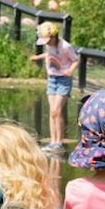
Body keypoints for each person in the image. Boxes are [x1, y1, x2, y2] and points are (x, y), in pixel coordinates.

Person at [30, 21, 79, 153]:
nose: (46, 43)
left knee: (57, 110)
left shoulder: (65, 46)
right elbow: (50, 54)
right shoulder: (49, 46)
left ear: (53, 36)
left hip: (63, 79)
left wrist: (70, 71)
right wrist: (38, 57)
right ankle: (53, 142)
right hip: (51, 79)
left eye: (47, 40)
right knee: (52, 112)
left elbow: (75, 60)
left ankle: (59, 142)